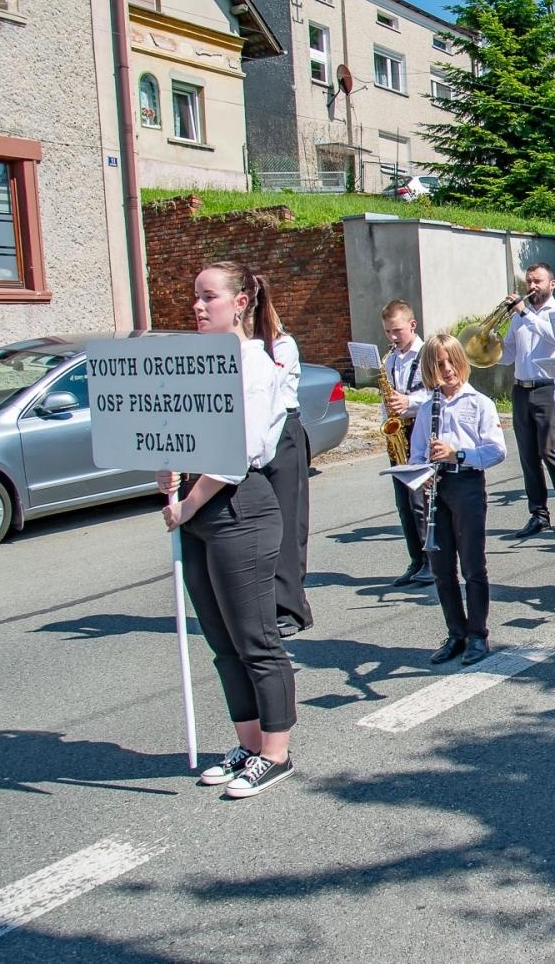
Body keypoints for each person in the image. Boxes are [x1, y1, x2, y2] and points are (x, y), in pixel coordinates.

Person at [157, 261, 295, 799]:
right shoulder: (196, 365)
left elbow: (237, 454)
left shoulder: (256, 365)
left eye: (208, 297)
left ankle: (277, 754)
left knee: (255, 638)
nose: (197, 306)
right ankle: (248, 743)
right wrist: (166, 471)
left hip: (239, 506)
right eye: (195, 296)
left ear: (240, 303)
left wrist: (188, 504)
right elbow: (179, 433)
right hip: (199, 507)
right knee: (221, 641)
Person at [411, 333, 506, 666]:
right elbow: (416, 455)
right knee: (441, 568)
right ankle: (457, 632)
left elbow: (496, 451)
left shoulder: (479, 402)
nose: (448, 369)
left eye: (452, 361)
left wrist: (457, 455)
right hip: (437, 489)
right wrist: (423, 472)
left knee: (472, 565)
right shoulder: (427, 408)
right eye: (439, 364)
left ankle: (478, 635)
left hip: (466, 484)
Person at [497, 262, 555, 537]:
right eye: (529, 281)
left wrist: (524, 312)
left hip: (548, 388)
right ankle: (538, 514)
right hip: (521, 388)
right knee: (528, 455)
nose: (531, 286)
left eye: (537, 281)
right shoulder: (519, 317)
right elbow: (508, 354)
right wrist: (489, 344)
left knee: (550, 450)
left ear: (551, 284)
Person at [261, 317, 312, 637]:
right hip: (257, 431)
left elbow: (267, 386)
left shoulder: (282, 345)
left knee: (289, 523)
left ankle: (292, 608)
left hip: (283, 430)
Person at [381, 300, 432, 587]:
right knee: (403, 502)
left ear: (412, 325)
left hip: (420, 431)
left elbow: (437, 392)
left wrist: (408, 402)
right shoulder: (390, 359)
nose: (392, 337)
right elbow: (386, 398)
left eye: (397, 330)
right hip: (399, 434)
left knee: (420, 502)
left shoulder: (427, 354)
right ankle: (415, 559)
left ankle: (430, 560)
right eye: (388, 332)